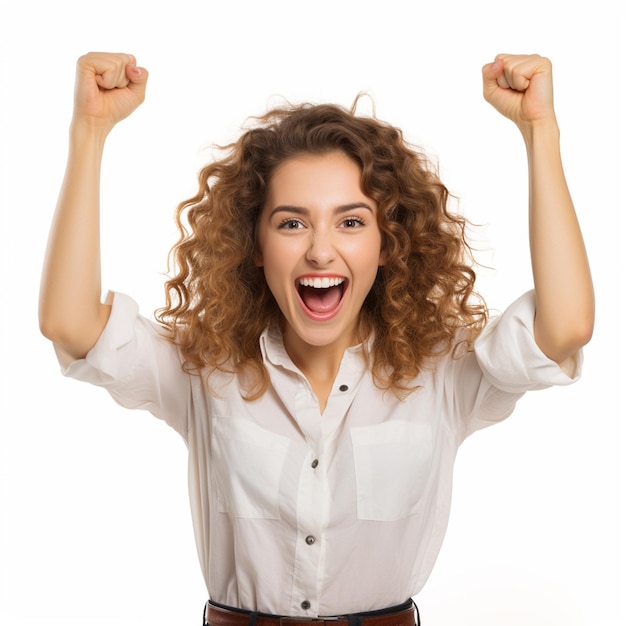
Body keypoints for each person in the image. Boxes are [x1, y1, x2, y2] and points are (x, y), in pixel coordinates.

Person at [39, 52, 594, 625]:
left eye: (351, 222)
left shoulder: (442, 371)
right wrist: (90, 131)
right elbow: (72, 323)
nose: (321, 250)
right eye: (292, 222)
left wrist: (539, 131)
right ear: (255, 246)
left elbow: (564, 329)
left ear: (386, 244)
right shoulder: (206, 369)